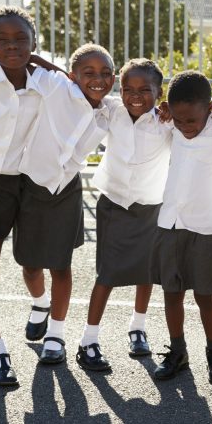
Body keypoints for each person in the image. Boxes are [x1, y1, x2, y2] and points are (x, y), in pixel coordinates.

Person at [0, 6, 97, 384]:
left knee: (33, 263)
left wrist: (42, 62)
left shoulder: (49, 83)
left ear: (34, 45)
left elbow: (88, 98)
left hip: (32, 182)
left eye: (21, 40)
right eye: (2, 41)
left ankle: (43, 307)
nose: (11, 47)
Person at [15, 44, 115, 365]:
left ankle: (56, 334)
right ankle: (40, 303)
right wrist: (56, 70)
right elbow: (20, 60)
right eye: (88, 73)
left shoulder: (111, 110)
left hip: (67, 190)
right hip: (30, 185)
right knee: (30, 265)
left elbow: (146, 111)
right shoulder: (57, 86)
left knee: (60, 265)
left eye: (105, 73)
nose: (97, 79)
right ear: (72, 76)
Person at [76, 59, 172, 371]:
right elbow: (73, 89)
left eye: (145, 90)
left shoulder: (166, 123)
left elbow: (203, 119)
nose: (135, 95)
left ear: (159, 93)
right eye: (128, 88)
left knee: (148, 271)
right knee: (107, 273)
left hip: (149, 206)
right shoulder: (111, 109)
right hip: (114, 204)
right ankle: (88, 340)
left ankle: (138, 327)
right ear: (119, 86)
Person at [149, 71, 212, 383]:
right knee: (171, 294)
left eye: (192, 121)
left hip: (206, 227)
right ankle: (178, 351)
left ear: (210, 108)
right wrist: (166, 114)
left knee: (205, 296)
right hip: (170, 222)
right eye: (179, 119)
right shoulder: (170, 124)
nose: (185, 127)